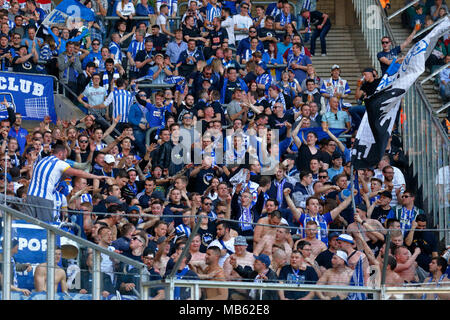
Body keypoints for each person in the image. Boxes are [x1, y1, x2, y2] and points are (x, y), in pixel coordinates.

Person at [25, 143, 108, 222]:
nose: (66, 157)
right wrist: (97, 177)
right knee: (46, 226)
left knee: (29, 223)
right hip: (44, 198)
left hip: (30, 195)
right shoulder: (59, 163)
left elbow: (53, 177)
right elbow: (79, 172)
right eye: (65, 154)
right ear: (61, 153)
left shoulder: (43, 160)